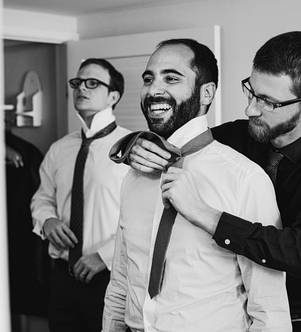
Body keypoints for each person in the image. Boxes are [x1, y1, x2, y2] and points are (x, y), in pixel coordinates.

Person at [122, 31, 301, 332]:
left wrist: (205, 214)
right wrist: (134, 145)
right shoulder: (234, 136)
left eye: (268, 102)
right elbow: (182, 140)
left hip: (299, 319)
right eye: (251, 91)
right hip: (232, 316)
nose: (250, 109)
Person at [101, 39, 290, 332]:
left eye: (172, 78)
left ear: (207, 92)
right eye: (149, 79)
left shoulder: (245, 181)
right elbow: (121, 278)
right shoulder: (135, 176)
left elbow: (269, 307)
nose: (153, 90)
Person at [29, 58, 130, 332]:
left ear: (113, 96)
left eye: (92, 83)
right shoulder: (60, 148)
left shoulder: (132, 148)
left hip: (111, 276)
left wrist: (105, 256)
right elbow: (42, 197)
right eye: (77, 83)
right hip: (62, 276)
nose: (81, 88)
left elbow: (145, 218)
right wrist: (47, 221)